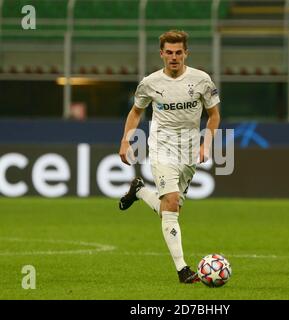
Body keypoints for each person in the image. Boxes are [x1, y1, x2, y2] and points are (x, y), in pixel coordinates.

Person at [118, 30, 220, 284]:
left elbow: (214, 115)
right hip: (162, 148)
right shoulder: (150, 83)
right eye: (169, 52)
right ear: (161, 53)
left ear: (186, 53)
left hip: (188, 153)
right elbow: (135, 112)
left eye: (178, 52)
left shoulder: (202, 80)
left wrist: (206, 145)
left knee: (170, 210)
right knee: (172, 203)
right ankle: (183, 270)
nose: (174, 57)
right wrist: (125, 140)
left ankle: (140, 190)